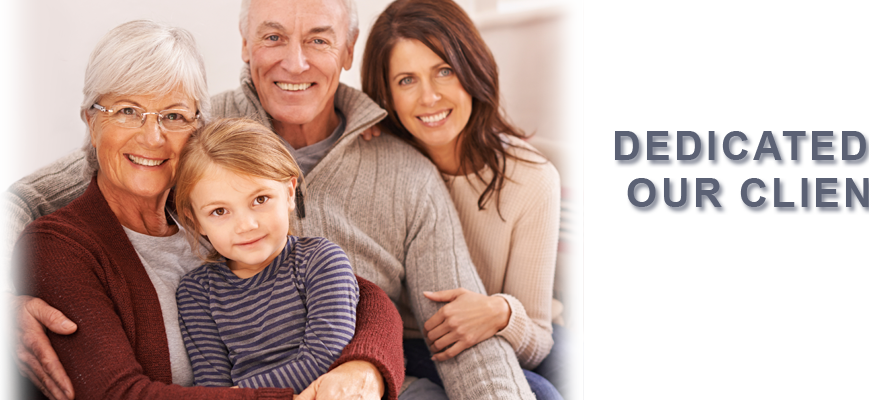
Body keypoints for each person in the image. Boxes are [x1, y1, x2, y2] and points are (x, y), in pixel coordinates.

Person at [0, 0, 534, 399]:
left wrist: (366, 366)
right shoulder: (184, 140)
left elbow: (384, 301)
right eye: (274, 36)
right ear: (245, 45)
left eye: (319, 40)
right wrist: (1, 297)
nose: (295, 63)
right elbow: (23, 201)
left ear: (349, 50)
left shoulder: (399, 170)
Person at [360, 0, 584, 399]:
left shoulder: (531, 179)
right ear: (386, 95)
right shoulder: (380, 164)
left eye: (444, 71)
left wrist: (499, 313)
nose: (429, 97)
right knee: (540, 395)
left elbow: (535, 337)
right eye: (407, 80)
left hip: (513, 326)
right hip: (416, 338)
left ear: (472, 69)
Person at [172, 118, 359, 393]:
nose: (246, 225)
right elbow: (213, 388)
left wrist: (239, 396)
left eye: (260, 200)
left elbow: (324, 357)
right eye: (219, 211)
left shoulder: (320, 261)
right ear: (195, 220)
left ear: (289, 193)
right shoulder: (197, 292)